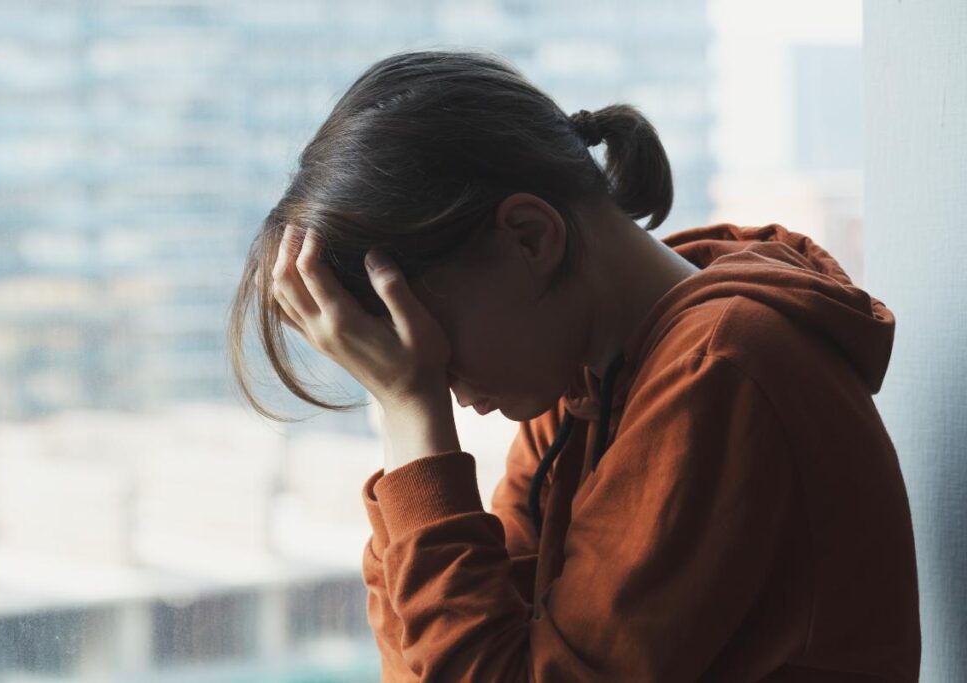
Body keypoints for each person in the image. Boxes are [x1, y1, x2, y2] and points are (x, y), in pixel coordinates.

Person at [228, 49, 921, 682]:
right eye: (396, 361)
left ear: (531, 237)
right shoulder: (584, 384)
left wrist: (413, 420)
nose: (430, 375)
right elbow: (434, 656)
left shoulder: (723, 370)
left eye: (423, 338)